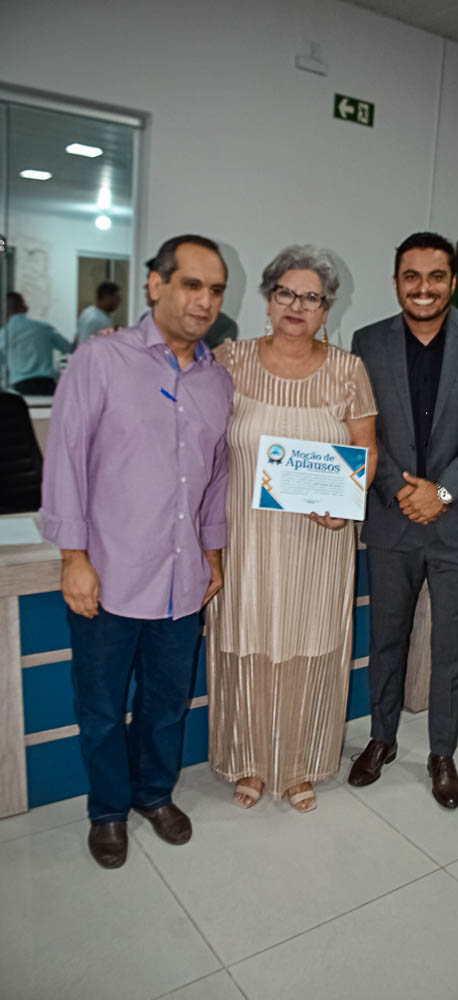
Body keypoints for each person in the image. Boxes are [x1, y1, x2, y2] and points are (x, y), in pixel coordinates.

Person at [40, 235, 233, 868]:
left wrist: (214, 551)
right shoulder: (101, 360)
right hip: (109, 574)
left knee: (164, 702)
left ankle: (154, 795)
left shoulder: (217, 381)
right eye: (191, 284)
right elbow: (66, 459)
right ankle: (107, 811)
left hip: (182, 579)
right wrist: (73, 555)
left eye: (215, 289)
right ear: (156, 285)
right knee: (99, 706)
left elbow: (217, 475)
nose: (203, 301)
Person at [206, 244, 377, 813]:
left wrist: (347, 503)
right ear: (268, 298)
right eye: (286, 293)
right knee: (247, 643)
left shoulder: (349, 370)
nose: (297, 306)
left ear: (327, 309)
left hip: (318, 537)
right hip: (245, 536)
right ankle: (248, 762)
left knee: (310, 644)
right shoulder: (230, 360)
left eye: (311, 297)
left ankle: (301, 765)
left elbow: (367, 449)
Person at [348, 231, 458, 809]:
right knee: (386, 637)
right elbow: (361, 427)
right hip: (393, 517)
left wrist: (440, 491)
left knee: (451, 644)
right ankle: (381, 739)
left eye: (436, 276)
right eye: (411, 276)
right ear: (396, 281)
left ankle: (442, 752)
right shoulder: (366, 342)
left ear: (453, 280)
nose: (423, 288)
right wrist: (400, 488)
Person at [0, 292, 72, 394]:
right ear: (25, 308)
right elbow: (69, 348)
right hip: (47, 385)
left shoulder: (4, 334)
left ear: (5, 311)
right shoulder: (44, 328)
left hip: (21, 387)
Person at [76, 280, 121, 345]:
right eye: (117, 298)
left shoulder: (86, 312)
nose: (117, 303)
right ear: (107, 297)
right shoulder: (102, 320)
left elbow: (77, 338)